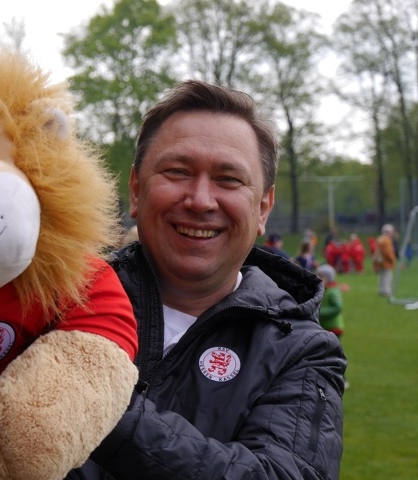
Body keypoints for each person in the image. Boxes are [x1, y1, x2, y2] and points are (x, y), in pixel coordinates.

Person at [68, 80, 346, 479]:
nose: (200, 200)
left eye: (228, 179)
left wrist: (106, 410)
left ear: (263, 208)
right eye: (178, 171)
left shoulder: (300, 349)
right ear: (136, 190)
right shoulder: (58, 302)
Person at [315, 264, 348, 388]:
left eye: (321, 276)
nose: (318, 278)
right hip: (325, 327)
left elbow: (337, 308)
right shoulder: (324, 290)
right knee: (323, 353)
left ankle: (342, 379)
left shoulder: (333, 291)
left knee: (333, 354)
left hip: (334, 328)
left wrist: (319, 312)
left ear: (329, 278)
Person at [374, 224, 397, 297]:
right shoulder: (386, 240)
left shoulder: (380, 239)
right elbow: (388, 252)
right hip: (386, 261)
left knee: (382, 276)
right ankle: (386, 290)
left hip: (381, 260)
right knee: (387, 276)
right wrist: (392, 259)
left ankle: (381, 289)